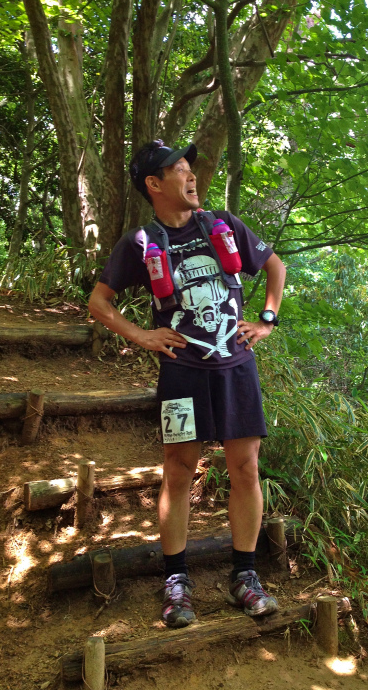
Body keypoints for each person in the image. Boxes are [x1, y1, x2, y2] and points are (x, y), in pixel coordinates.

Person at [88, 140, 286, 628]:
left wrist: (266, 319)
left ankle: (246, 576)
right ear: (154, 185)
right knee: (178, 470)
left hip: (237, 368)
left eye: (189, 168)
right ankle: (176, 583)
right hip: (181, 371)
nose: (191, 175)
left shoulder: (224, 225)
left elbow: (275, 266)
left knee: (245, 469)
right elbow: (99, 300)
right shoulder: (140, 243)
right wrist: (141, 335)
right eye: (178, 170)